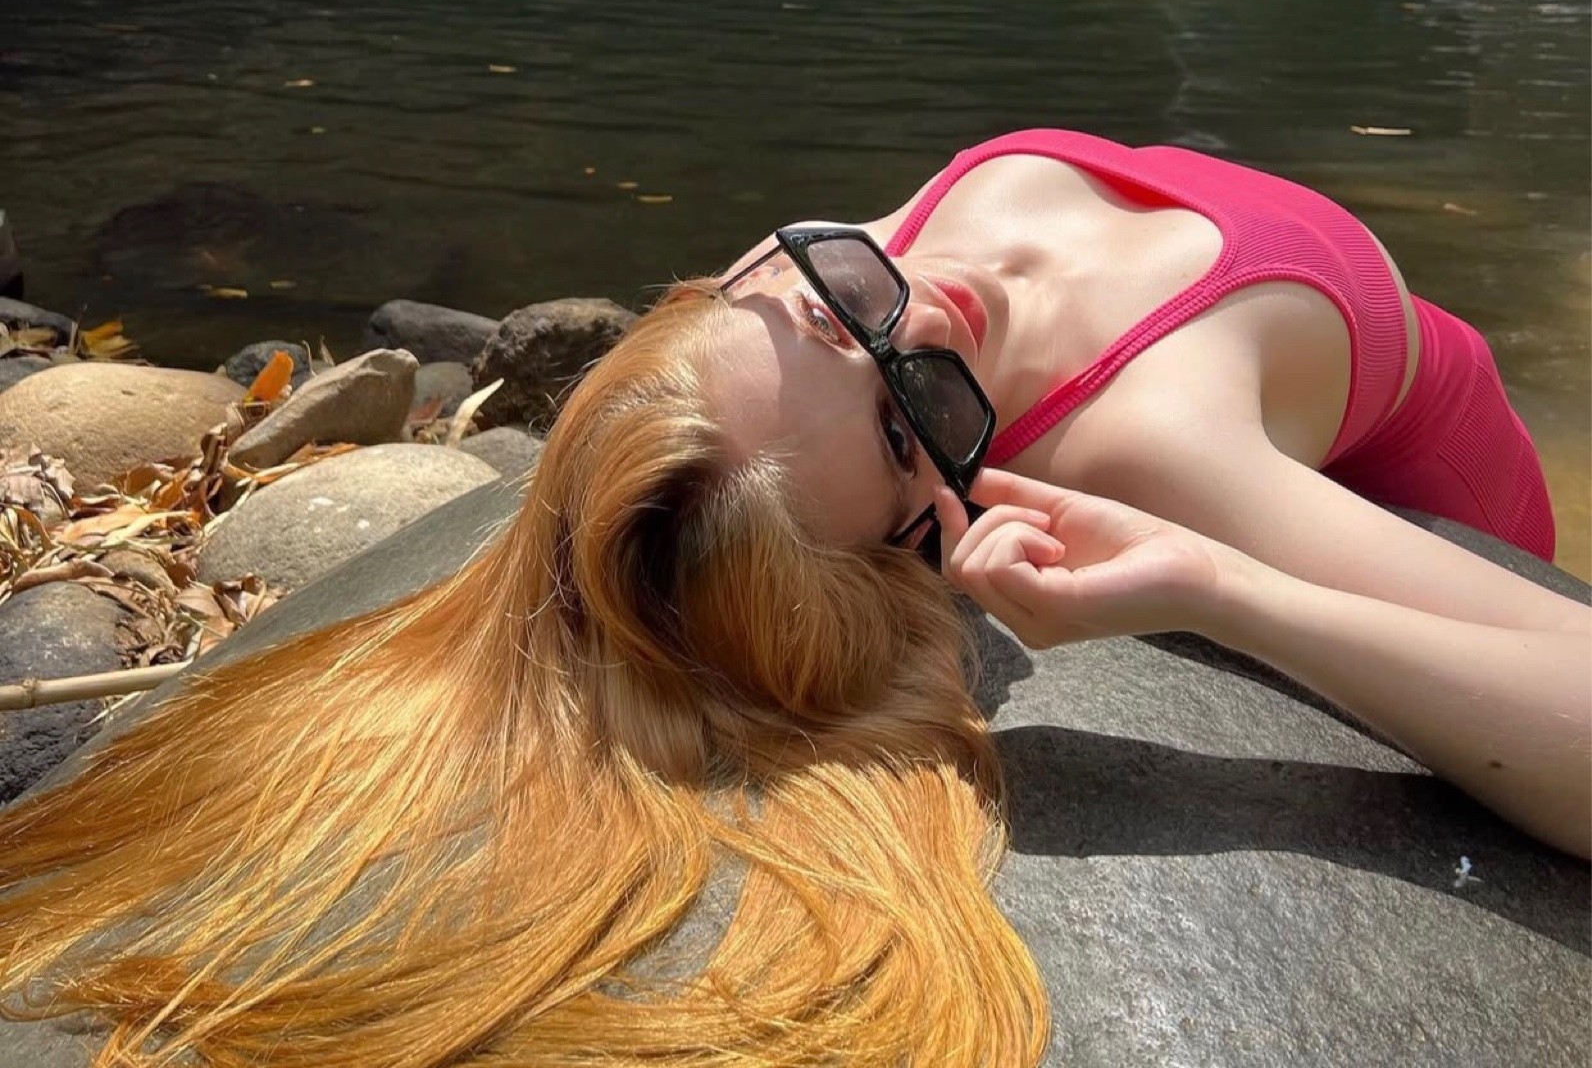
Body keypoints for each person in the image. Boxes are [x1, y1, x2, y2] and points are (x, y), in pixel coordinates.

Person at [0, 128, 1586, 1068]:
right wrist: (1232, 592)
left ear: (727, 284)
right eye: (915, 427)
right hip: (1450, 501)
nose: (930, 314)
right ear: (924, 528)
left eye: (836, 305)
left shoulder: (812, 272)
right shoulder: (1147, 445)